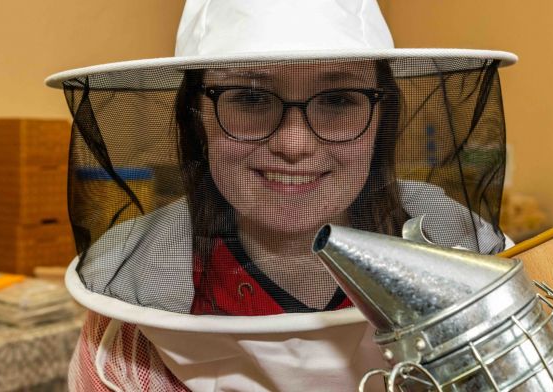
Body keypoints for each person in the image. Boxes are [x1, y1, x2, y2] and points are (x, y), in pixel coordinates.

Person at [47, 0, 517, 390]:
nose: (294, 144)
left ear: (381, 120)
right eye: (250, 98)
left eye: (338, 100)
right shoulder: (130, 324)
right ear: (198, 118)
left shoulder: (463, 262)